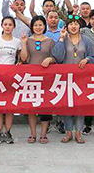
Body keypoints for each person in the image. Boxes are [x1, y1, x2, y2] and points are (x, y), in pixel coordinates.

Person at [52, 14, 94, 144]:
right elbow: (57, 56)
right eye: (70, 24)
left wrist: (86, 59)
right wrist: (61, 39)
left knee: (80, 106)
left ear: (79, 26)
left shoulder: (86, 40)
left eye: (76, 24)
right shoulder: (63, 39)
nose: (73, 26)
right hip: (66, 78)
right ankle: (68, 132)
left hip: (81, 78)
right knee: (67, 105)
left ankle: (78, 132)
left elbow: (93, 56)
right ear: (66, 26)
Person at [18, 15, 56, 144]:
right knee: (32, 107)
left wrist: (49, 59)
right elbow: (24, 58)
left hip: (46, 78)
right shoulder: (27, 40)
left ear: (44, 26)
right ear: (32, 27)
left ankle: (43, 134)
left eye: (40, 25)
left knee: (45, 107)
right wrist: (24, 44)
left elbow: (56, 58)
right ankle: (33, 133)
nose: (38, 27)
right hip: (31, 78)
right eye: (35, 25)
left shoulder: (50, 41)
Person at [0, 16, 22, 144]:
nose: (7, 27)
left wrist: (20, 60)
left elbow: (22, 58)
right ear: (2, 26)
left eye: (10, 24)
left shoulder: (17, 41)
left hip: (11, 77)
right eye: (5, 24)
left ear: (13, 27)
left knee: (9, 106)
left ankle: (8, 131)